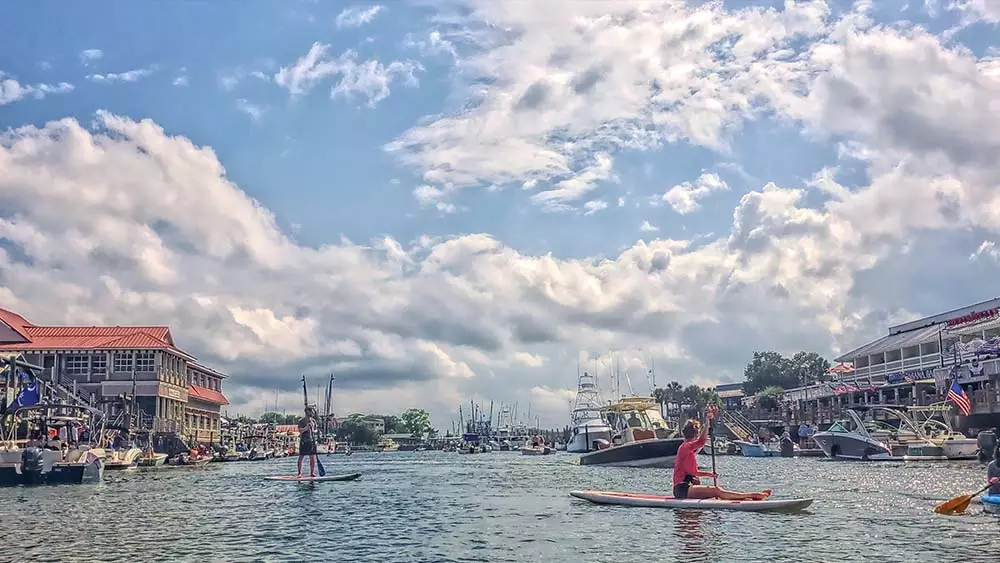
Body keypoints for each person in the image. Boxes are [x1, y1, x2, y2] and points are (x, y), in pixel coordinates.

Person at [673, 407, 771, 501]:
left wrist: (710, 475)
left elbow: (693, 472)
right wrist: (707, 421)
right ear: (696, 435)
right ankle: (753, 495)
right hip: (681, 489)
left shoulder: (687, 450)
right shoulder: (685, 447)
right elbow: (701, 441)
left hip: (685, 487)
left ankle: (747, 497)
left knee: (704, 484)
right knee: (716, 490)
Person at [297, 405, 318, 478]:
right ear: (307, 412)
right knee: (301, 457)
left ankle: (312, 472)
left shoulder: (313, 421)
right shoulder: (301, 421)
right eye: (312, 411)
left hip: (311, 441)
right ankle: (299, 473)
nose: (313, 413)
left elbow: (316, 430)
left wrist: (313, 429)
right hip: (304, 441)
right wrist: (306, 428)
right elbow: (300, 431)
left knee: (312, 457)